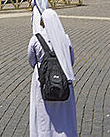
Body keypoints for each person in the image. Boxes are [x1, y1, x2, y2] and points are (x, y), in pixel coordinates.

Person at [28, 8, 77, 137]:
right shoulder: (65, 39)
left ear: (43, 22)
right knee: (64, 115)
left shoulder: (35, 39)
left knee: (43, 113)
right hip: (63, 77)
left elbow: (31, 61)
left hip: (42, 80)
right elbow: (71, 60)